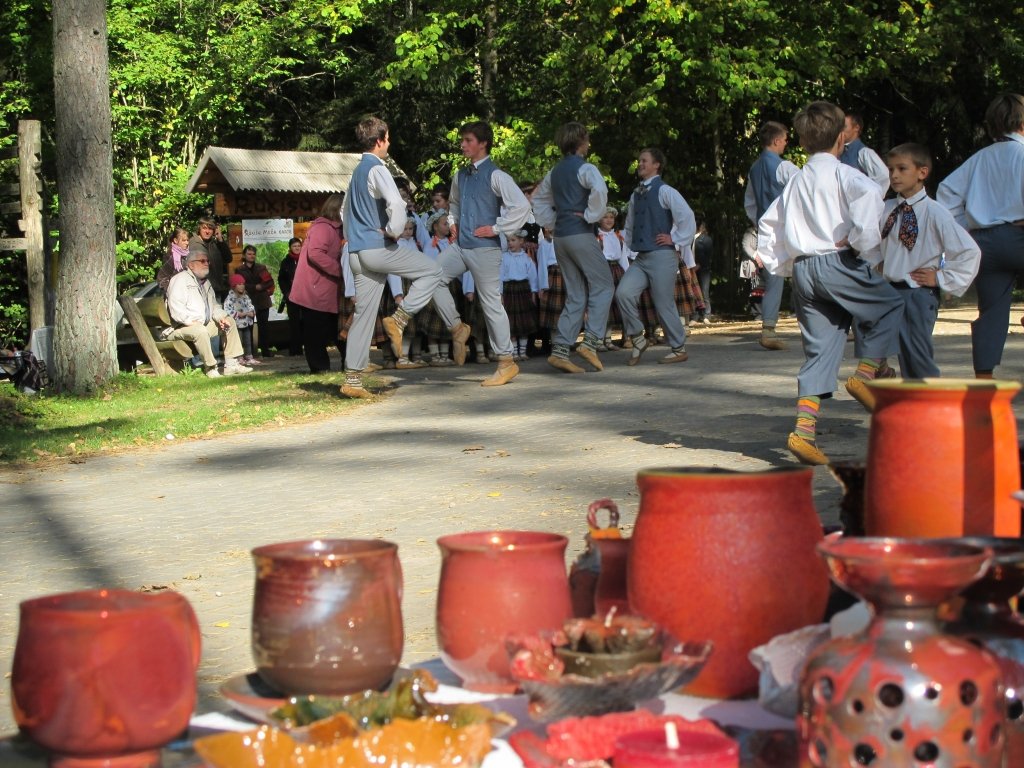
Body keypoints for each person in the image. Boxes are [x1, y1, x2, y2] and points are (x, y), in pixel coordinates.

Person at [757, 101, 904, 466]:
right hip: (838, 262)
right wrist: (858, 240)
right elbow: (871, 197)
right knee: (889, 305)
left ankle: (804, 431)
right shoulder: (844, 175)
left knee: (820, 351)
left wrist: (784, 265)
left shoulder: (796, 181)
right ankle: (868, 373)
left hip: (805, 272)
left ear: (802, 142)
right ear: (842, 138)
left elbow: (768, 225)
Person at [342, 116, 443, 398]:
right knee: (432, 271)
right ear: (379, 141)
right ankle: (399, 319)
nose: (389, 143)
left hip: (357, 252)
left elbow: (344, 212)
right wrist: (393, 231)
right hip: (377, 248)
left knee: (363, 314)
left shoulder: (355, 173)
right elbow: (397, 204)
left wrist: (354, 237)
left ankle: (352, 380)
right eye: (388, 139)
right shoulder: (378, 168)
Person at [428, 120, 532, 387]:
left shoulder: (497, 175)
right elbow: (454, 204)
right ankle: (457, 327)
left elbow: (521, 206)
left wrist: (497, 227)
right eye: (462, 140)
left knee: (490, 304)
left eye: (468, 140)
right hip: (462, 246)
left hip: (486, 250)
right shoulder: (460, 175)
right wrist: (453, 223)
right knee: (431, 277)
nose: (463, 144)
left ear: (483, 143)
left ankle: (506, 362)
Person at [937, 92, 1024, 379]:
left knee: (992, 309)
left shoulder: (980, 158)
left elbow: (946, 193)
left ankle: (984, 380)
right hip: (1018, 237)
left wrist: (966, 228)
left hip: (984, 241)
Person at [879, 143, 980, 378]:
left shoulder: (936, 212)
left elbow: (968, 251)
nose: (894, 175)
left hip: (918, 294)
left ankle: (930, 402)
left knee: (917, 356)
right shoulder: (886, 210)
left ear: (922, 172)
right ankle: (907, 400)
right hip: (888, 292)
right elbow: (872, 244)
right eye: (891, 169)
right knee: (886, 350)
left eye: (902, 169)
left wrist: (941, 277)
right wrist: (879, 263)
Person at [532, 121, 613, 373]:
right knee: (603, 284)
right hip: (580, 234)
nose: (588, 143)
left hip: (561, 237)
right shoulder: (586, 168)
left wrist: (552, 222)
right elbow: (600, 191)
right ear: (581, 142)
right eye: (587, 140)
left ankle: (560, 350)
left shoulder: (554, 172)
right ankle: (590, 342)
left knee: (577, 293)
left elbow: (538, 199)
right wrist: (590, 215)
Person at [616, 147, 695, 366]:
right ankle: (638, 338)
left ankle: (678, 347)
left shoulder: (665, 191)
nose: (640, 164)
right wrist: (631, 247)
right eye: (639, 160)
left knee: (663, 302)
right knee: (623, 293)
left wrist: (675, 239)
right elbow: (630, 224)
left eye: (644, 160)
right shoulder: (636, 193)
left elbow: (687, 216)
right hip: (642, 257)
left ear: (656, 165)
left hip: (662, 256)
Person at [744, 121, 800, 350]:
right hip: (788, 228)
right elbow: (804, 192)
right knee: (804, 274)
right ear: (776, 140)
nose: (786, 143)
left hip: (767, 230)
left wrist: (759, 223)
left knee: (774, 279)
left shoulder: (754, 168)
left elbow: (749, 202)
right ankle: (813, 323)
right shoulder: (784, 167)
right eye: (785, 139)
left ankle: (768, 327)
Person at [165, 251, 252, 378]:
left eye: (207, 261)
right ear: (191, 265)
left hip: (202, 325)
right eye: (202, 261)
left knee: (230, 322)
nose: (206, 264)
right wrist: (189, 321)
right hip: (180, 327)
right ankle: (210, 368)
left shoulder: (206, 282)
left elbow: (214, 306)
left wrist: (221, 318)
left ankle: (232, 364)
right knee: (200, 330)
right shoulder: (179, 280)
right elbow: (175, 307)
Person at [290, 194, 344, 374]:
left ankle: (351, 364)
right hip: (314, 290)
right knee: (315, 332)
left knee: (337, 329)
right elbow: (315, 254)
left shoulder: (337, 229)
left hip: (326, 289)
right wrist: (340, 270)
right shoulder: (322, 228)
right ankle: (319, 368)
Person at [500, 230, 539, 361]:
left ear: (521, 241)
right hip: (509, 290)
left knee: (523, 322)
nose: (510, 243)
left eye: (513, 240)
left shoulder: (526, 258)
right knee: (511, 323)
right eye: (508, 241)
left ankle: (522, 351)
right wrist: (500, 293)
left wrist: (534, 292)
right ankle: (514, 352)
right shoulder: (504, 257)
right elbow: (500, 277)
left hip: (523, 290)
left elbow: (533, 277)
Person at [597, 206, 630, 348]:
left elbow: (623, 258)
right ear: (599, 219)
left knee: (613, 306)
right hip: (602, 271)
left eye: (611, 217)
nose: (609, 220)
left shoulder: (618, 237)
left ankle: (608, 338)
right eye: (605, 217)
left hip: (616, 271)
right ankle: (598, 339)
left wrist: (628, 275)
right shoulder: (596, 236)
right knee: (602, 305)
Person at [235, 244, 275, 358]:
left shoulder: (261, 268)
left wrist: (261, 287)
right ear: (244, 255)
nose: (251, 256)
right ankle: (250, 352)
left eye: (253, 254)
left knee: (264, 327)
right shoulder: (239, 270)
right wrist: (254, 287)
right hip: (247, 301)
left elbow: (269, 282)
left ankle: (266, 351)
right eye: (249, 254)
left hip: (262, 300)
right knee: (248, 327)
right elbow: (239, 284)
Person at [840, 111, 890, 194]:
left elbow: (883, 177)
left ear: (856, 128)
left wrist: (870, 200)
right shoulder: (837, 151)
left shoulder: (864, 153)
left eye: (844, 127)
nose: (840, 131)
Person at [188, 217, 232, 301]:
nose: (207, 231)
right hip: (199, 292)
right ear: (199, 229)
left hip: (216, 290)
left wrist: (220, 239)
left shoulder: (215, 244)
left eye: (210, 229)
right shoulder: (193, 244)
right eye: (204, 228)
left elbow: (228, 259)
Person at [224, 273, 260, 365]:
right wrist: (238, 314)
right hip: (237, 324)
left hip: (246, 323)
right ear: (234, 286)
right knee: (239, 341)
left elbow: (250, 305)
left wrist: (252, 312)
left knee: (247, 340)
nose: (242, 286)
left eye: (243, 284)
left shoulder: (245, 296)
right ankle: (239, 357)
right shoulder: (230, 298)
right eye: (239, 284)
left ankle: (249, 356)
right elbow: (227, 309)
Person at [277, 237, 303, 356]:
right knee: (294, 323)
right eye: (294, 246)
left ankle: (306, 347)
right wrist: (286, 292)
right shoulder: (286, 261)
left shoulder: (305, 259)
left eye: (298, 246)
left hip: (305, 297)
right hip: (291, 297)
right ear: (290, 248)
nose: (297, 248)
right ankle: (295, 349)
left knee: (305, 322)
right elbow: (281, 279)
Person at [692, 215, 713, 324]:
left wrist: (699, 265)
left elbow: (708, 256)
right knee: (694, 292)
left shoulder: (706, 239)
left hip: (703, 269)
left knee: (704, 291)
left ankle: (706, 315)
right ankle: (695, 315)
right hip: (691, 268)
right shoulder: (689, 238)